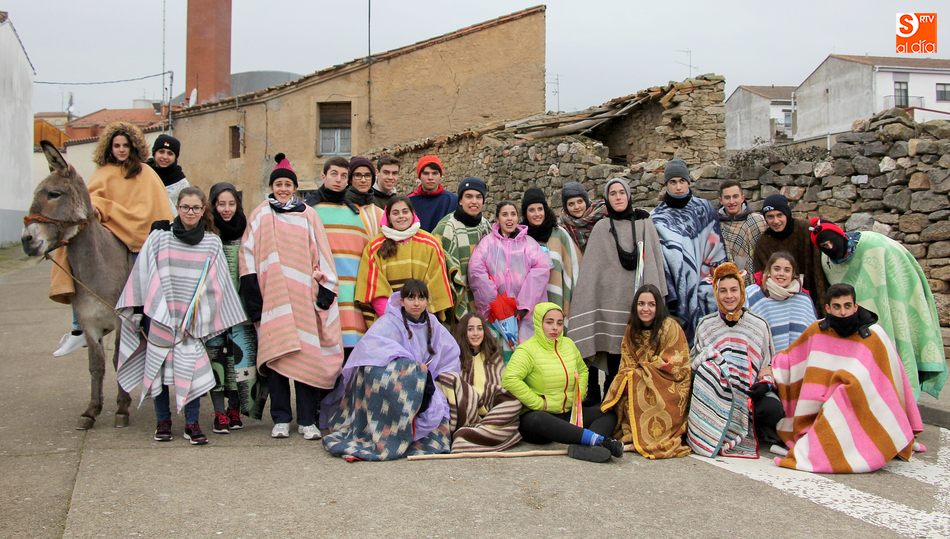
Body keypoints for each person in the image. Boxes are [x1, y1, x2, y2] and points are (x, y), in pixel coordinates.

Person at [115, 187, 246, 445]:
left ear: (203, 210)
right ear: (178, 207)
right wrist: (141, 312)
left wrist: (198, 319)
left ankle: (192, 423)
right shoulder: (160, 238)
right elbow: (144, 273)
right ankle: (163, 421)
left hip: (192, 320)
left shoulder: (211, 242)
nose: (190, 212)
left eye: (196, 208)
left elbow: (217, 285)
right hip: (160, 314)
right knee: (158, 370)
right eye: (185, 207)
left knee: (191, 369)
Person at [240, 153, 344, 440]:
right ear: (272, 186)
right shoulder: (261, 214)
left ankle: (307, 419)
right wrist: (253, 299)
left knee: (306, 357)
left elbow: (323, 253)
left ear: (295, 187)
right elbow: (247, 255)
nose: (283, 189)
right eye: (279, 184)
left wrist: (326, 291)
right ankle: (281, 417)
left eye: (288, 184)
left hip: (303, 299)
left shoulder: (308, 214)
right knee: (278, 359)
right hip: (272, 299)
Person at [51, 121, 174, 357]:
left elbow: (156, 209)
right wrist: (99, 210)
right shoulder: (103, 172)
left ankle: (146, 322)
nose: (120, 149)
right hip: (110, 233)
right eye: (116, 145)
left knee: (150, 275)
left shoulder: (145, 172)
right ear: (109, 147)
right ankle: (78, 329)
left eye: (125, 145)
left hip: (140, 236)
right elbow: (90, 203)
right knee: (70, 252)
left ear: (133, 146)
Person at [771, 283, 924, 473]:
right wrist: (771, 368)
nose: (843, 312)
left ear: (855, 306)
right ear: (827, 308)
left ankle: (846, 448)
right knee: (832, 404)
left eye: (847, 306)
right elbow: (792, 358)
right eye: (836, 306)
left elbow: (887, 378)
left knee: (841, 399)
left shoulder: (874, 334)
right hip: (820, 402)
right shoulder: (817, 330)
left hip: (863, 402)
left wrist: (852, 384)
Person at [322, 280, 461, 460]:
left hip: (426, 383)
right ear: (402, 301)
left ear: (427, 301)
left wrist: (431, 376)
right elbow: (371, 351)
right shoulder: (389, 322)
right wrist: (414, 369)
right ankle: (390, 432)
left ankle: (416, 427)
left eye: (421, 298)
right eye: (411, 298)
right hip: (398, 383)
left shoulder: (433, 324)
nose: (416, 303)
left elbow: (449, 354)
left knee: (437, 407)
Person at [810, 217, 946, 398]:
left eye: (831, 242)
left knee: (897, 344)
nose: (830, 248)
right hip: (856, 319)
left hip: (893, 304)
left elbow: (897, 281)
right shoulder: (827, 262)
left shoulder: (876, 245)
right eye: (824, 246)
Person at [566, 177, 666, 406]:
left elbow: (653, 264)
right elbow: (592, 273)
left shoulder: (644, 224)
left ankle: (632, 407)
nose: (618, 197)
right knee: (613, 358)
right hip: (609, 306)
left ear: (629, 195)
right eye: (613, 194)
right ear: (606, 199)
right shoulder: (601, 228)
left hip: (636, 304)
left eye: (622, 192)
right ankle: (609, 406)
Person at [502, 303, 624, 462]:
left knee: (607, 412)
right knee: (539, 419)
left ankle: (588, 447)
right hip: (538, 419)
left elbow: (583, 370)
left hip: (568, 415)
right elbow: (510, 379)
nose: (555, 328)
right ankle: (599, 440)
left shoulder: (568, 345)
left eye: (559, 323)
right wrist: (539, 403)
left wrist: (578, 397)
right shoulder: (527, 350)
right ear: (539, 323)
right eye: (549, 322)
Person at [687, 262, 781, 458]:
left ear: (741, 291)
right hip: (715, 394)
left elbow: (768, 365)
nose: (729, 296)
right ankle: (709, 432)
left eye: (733, 290)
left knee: (772, 410)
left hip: (750, 394)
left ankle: (757, 429)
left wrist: (764, 384)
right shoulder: (706, 325)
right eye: (723, 291)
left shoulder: (758, 325)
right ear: (716, 293)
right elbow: (695, 363)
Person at [601, 284, 691, 459]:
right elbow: (626, 362)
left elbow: (676, 363)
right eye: (641, 304)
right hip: (640, 379)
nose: (646, 309)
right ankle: (632, 434)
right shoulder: (630, 329)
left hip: (670, 383)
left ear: (658, 306)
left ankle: (647, 438)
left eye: (651, 304)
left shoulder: (670, 327)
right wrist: (636, 375)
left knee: (638, 383)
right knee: (629, 383)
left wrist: (643, 371)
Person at [308, 156, 383, 355]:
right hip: (320, 292)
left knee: (352, 355)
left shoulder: (358, 214)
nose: (338, 180)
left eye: (343, 175)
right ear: (323, 176)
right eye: (334, 174)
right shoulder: (309, 212)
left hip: (353, 295)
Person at [650, 158, 727, 346]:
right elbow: (657, 258)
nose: (678, 186)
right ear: (666, 184)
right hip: (674, 289)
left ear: (688, 182)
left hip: (704, 288)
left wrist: (709, 282)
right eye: (673, 182)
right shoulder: (657, 217)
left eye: (682, 181)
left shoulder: (704, 210)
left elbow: (715, 248)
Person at [204, 182, 260, 433]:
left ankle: (235, 409)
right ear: (212, 205)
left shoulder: (249, 230)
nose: (226, 209)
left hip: (241, 311)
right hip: (213, 312)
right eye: (220, 204)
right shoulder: (205, 233)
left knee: (241, 362)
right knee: (215, 362)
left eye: (231, 203)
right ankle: (219, 413)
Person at [468, 200, 551, 359]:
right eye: (504, 214)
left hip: (524, 311)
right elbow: (476, 269)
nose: (509, 218)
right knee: (498, 355)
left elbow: (541, 270)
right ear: (497, 219)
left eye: (513, 214)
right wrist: (495, 301)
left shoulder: (529, 244)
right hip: (496, 311)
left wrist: (523, 304)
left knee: (525, 352)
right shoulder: (488, 243)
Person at [355, 196, 453, 324]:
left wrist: (417, 316)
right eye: (395, 213)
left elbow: (436, 284)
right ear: (388, 217)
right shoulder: (375, 246)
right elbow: (374, 289)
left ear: (412, 214)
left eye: (405, 211)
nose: (401, 216)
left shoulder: (431, 244)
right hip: (388, 320)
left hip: (422, 318)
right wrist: (396, 318)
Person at [436, 313, 522, 452]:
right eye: (470, 329)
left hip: (490, 410)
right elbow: (450, 385)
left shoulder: (493, 356)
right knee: (449, 378)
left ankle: (479, 431)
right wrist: (472, 396)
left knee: (514, 401)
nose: (476, 333)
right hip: (466, 411)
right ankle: (474, 433)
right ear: (464, 332)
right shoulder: (455, 357)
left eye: (479, 328)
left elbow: (502, 385)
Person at [432, 176, 492, 326]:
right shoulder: (446, 227)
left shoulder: (486, 226)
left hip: (480, 297)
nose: (474, 201)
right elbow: (434, 266)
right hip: (457, 298)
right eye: (468, 196)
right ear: (460, 200)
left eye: (479, 197)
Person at [753, 194, 828, 314]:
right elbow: (762, 276)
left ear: (787, 214)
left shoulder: (805, 230)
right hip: (778, 298)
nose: (776, 221)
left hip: (811, 292)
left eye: (779, 215)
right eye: (770, 217)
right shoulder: (763, 243)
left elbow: (818, 269)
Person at [521, 188, 582, 321]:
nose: (537, 214)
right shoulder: (521, 237)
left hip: (556, 300)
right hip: (529, 305)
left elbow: (574, 267)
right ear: (525, 213)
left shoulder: (559, 234)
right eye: (531, 210)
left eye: (540, 209)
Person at [745, 251, 816, 353]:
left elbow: (812, 336)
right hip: (765, 365)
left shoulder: (803, 300)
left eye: (787, 270)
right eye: (776, 269)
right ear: (769, 270)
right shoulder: (753, 295)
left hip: (798, 363)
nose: (781, 274)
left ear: (793, 274)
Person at [718, 180, 766, 285]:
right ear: (721, 200)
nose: (731, 201)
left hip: (757, 282)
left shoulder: (758, 221)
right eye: (727, 198)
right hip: (726, 284)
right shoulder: (715, 225)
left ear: (742, 198)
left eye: (735, 196)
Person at [408, 155, 457, 232]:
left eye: (434, 173)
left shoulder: (452, 200)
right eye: (426, 173)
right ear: (419, 176)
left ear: (440, 175)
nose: (430, 177)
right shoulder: (409, 201)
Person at [146, 133, 191, 215]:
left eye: (170, 153)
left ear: (175, 157)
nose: (165, 157)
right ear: (154, 153)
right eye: (161, 152)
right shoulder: (143, 173)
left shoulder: (181, 184)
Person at [558, 181, 607, 253]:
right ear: (566, 207)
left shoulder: (603, 215)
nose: (577, 207)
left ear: (586, 201)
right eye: (571, 204)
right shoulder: (563, 228)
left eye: (580, 201)